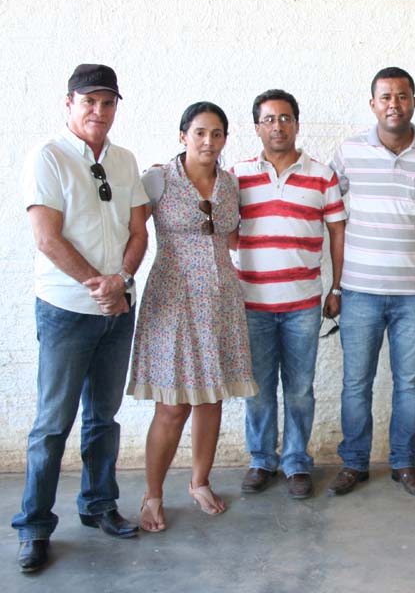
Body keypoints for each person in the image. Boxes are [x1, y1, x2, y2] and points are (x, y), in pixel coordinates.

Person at [14, 63, 148, 573]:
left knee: (103, 419)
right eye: (89, 101)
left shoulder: (124, 160)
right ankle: (34, 526)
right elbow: (47, 238)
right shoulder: (48, 157)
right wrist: (101, 283)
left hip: (117, 311)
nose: (99, 111)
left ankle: (98, 506)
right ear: (68, 103)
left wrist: (123, 282)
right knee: (52, 425)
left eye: (107, 102)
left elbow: (139, 231)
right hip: (68, 312)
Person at [126, 102, 257, 531]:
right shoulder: (158, 179)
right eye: (199, 132)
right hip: (173, 301)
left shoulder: (231, 184)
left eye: (217, 133)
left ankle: (200, 482)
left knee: (212, 399)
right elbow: (130, 231)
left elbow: (234, 239)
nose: (208, 141)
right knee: (172, 406)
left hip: (220, 300)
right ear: (183, 135)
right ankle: (153, 494)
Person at [327, 67, 415, 497]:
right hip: (360, 289)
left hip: (414, 294)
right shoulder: (347, 152)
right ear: (373, 104)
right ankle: (354, 463)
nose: (393, 104)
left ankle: (403, 462)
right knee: (356, 383)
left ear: (414, 101)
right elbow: (320, 200)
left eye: (402, 96)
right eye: (385, 97)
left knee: (410, 383)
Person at [231, 90, 346, 500]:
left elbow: (337, 231)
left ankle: (296, 462)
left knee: (299, 388)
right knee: (259, 388)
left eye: (284, 118)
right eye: (268, 119)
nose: (277, 126)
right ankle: (262, 459)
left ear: (297, 124)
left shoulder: (322, 175)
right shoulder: (237, 174)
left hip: (302, 303)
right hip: (253, 303)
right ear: (257, 126)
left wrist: (336, 287)